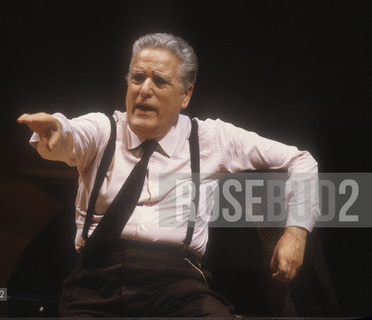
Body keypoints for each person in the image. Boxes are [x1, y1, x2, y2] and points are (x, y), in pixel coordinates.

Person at [17, 33, 319, 317]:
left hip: (176, 284)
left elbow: (300, 159)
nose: (144, 90)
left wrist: (296, 231)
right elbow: (70, 134)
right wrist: (55, 129)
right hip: (95, 283)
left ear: (185, 95)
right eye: (137, 78)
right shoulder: (103, 131)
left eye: (159, 81)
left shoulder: (211, 138)